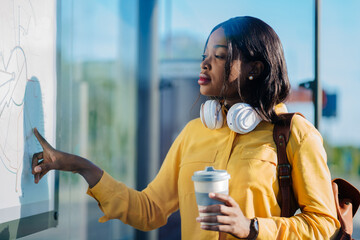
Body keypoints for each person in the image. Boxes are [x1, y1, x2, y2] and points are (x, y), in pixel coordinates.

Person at [32, 16, 340, 239]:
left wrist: (252, 227)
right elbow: (149, 209)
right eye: (204, 56)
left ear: (255, 69)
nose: (205, 64)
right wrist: (78, 165)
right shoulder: (194, 133)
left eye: (219, 57)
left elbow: (324, 225)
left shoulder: (294, 134)